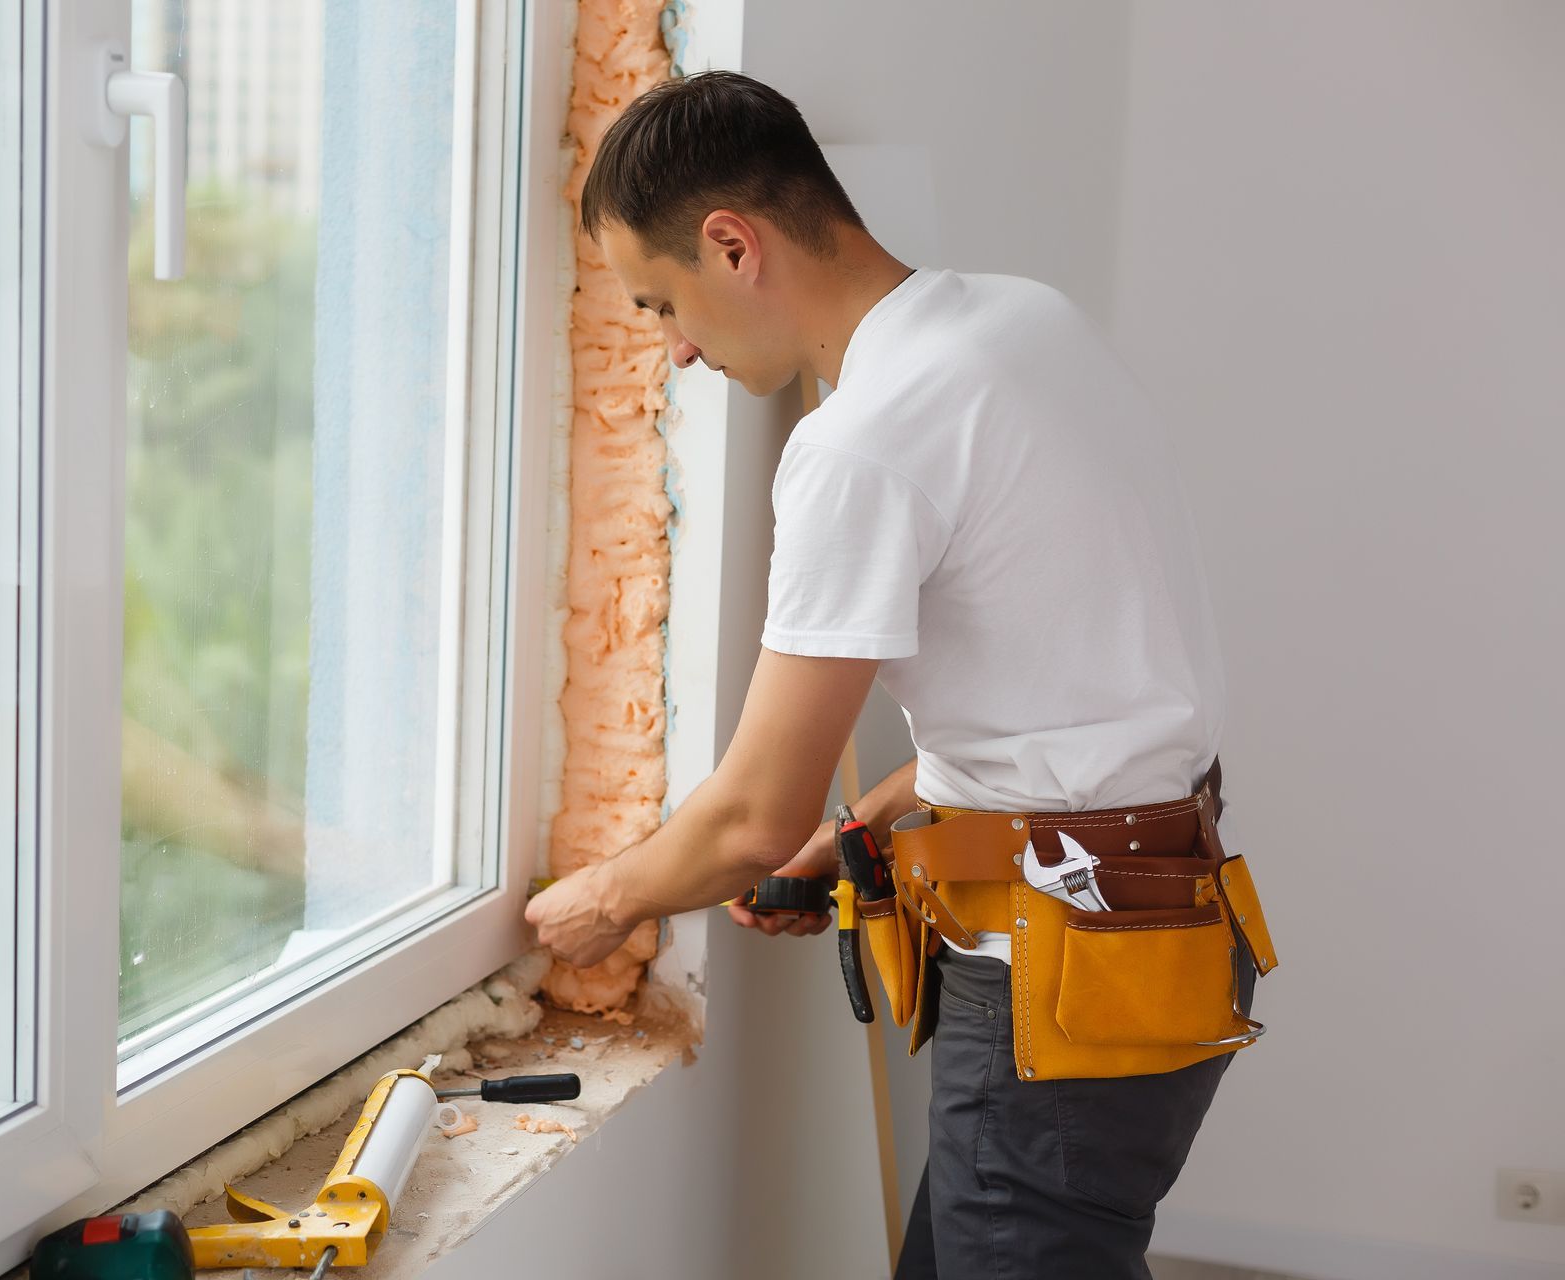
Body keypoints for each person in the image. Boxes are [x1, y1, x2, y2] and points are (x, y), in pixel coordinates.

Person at [525, 70, 1250, 1279]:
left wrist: (603, 897)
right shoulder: (1026, 322)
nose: (679, 348)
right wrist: (862, 824)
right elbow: (1071, 697)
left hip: (1054, 990)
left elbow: (752, 813)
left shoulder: (863, 442)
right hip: (1164, 936)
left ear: (730, 243)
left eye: (661, 303)